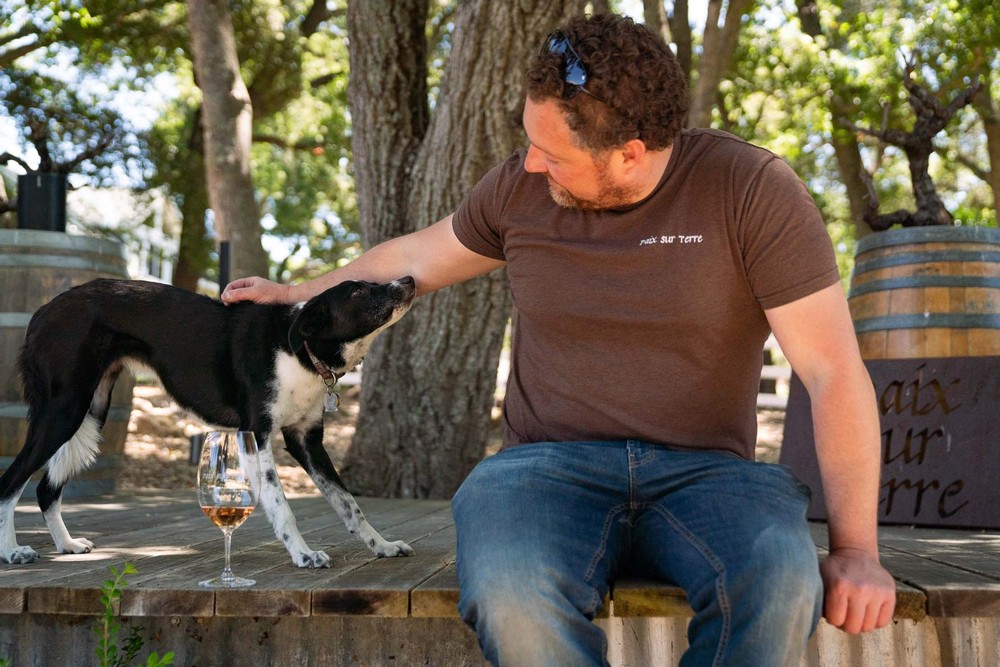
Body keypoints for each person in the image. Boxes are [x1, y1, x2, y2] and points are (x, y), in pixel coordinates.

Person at [222, 13, 896, 667]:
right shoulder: (520, 188)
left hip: (709, 476)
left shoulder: (751, 190)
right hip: (544, 470)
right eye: (530, 142)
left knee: (781, 585)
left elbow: (833, 370)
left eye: (553, 153)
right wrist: (296, 292)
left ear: (629, 153)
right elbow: (417, 258)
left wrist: (858, 549)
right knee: (512, 594)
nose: (532, 165)